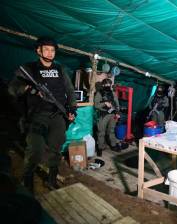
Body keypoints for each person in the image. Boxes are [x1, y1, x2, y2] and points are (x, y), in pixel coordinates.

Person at [8, 37, 77, 192]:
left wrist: (72, 109)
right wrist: (29, 89)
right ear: (38, 50)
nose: (50, 53)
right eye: (46, 49)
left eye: (52, 50)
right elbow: (12, 88)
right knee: (35, 150)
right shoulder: (29, 68)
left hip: (57, 115)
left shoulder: (60, 69)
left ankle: (51, 179)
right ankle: (27, 181)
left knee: (56, 148)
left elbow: (70, 90)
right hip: (36, 116)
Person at [94, 78, 127, 154]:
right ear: (103, 85)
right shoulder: (99, 93)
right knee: (101, 132)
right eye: (106, 84)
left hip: (113, 115)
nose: (107, 85)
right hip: (103, 115)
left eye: (109, 84)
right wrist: (105, 103)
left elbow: (117, 104)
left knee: (111, 131)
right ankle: (100, 147)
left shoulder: (113, 93)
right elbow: (96, 105)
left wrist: (118, 113)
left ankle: (113, 145)